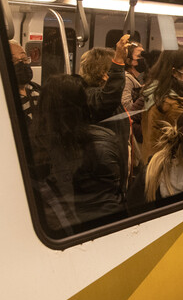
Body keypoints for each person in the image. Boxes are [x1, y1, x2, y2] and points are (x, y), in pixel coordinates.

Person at [32, 74, 125, 230]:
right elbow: (118, 186)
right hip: (108, 224)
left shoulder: (35, 147)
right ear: (82, 104)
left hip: (61, 228)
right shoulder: (104, 142)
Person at [140, 48, 183, 164]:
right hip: (168, 166)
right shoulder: (171, 104)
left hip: (153, 160)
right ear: (174, 72)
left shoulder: (154, 92)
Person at [79, 34, 130, 187]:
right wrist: (119, 61)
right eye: (114, 69)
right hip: (104, 173)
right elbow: (108, 99)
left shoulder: (100, 97)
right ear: (104, 74)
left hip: (115, 163)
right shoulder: (90, 96)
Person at [9, 40, 39, 124]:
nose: (22, 64)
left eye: (24, 59)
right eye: (15, 61)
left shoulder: (37, 90)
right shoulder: (6, 99)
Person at [122, 41, 145, 111]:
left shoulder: (134, 79)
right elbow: (126, 107)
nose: (143, 59)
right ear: (129, 61)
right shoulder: (126, 79)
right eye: (139, 56)